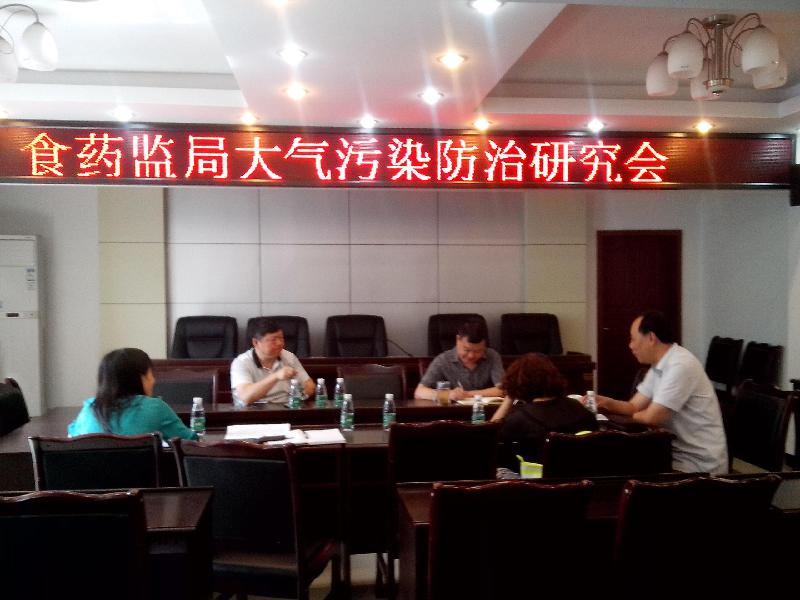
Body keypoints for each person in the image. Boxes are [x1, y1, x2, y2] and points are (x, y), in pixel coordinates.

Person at [595, 310, 728, 474]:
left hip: (697, 466)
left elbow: (652, 417)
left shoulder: (680, 365)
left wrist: (624, 417)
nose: (630, 345)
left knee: (619, 468)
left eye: (633, 339)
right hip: (672, 454)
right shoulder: (659, 364)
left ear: (651, 338)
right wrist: (605, 403)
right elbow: (634, 406)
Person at [492, 353, 598, 470]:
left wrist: (509, 397)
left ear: (519, 383)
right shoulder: (581, 410)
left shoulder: (521, 419)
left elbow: (490, 437)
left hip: (536, 478)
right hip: (581, 477)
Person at [68, 347, 197, 440]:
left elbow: (72, 436)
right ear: (140, 378)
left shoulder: (89, 408)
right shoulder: (156, 408)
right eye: (150, 374)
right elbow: (190, 442)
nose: (153, 380)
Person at [230, 318, 315, 406]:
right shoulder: (241, 362)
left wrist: (303, 393)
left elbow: (309, 385)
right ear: (256, 342)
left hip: (285, 407)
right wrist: (276, 376)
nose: (279, 343)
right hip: (253, 410)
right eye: (273, 340)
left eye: (281, 338)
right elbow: (246, 397)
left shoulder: (288, 357)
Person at [415, 319, 504, 401]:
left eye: (478, 351)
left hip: (487, 410)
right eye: (466, 350)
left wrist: (467, 394)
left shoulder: (492, 356)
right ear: (458, 340)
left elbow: (502, 389)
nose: (471, 356)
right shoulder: (443, 360)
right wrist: (448, 395)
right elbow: (419, 392)